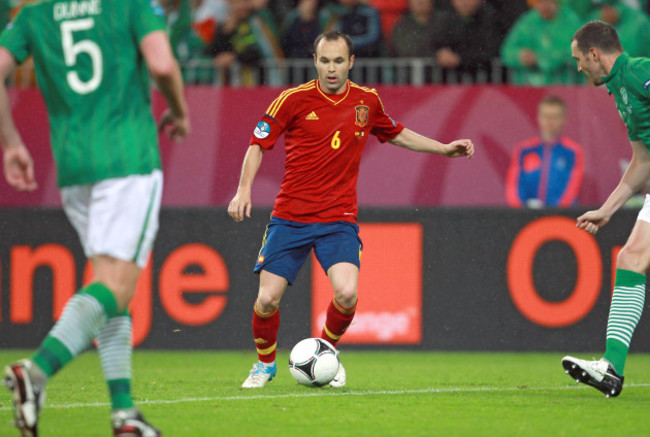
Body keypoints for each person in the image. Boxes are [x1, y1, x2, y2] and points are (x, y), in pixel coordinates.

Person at [228, 30, 474, 388]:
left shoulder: (366, 101)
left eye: (338, 61)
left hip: (337, 220)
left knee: (346, 293)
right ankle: (265, 365)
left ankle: (327, 353)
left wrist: (443, 149)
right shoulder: (292, 100)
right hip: (290, 218)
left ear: (351, 62)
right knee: (266, 299)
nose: (331, 69)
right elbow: (257, 143)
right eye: (325, 61)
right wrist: (243, 190)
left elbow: (396, 132)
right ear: (315, 61)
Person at [0, 0, 190, 435]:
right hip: (126, 160)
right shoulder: (129, 6)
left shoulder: (34, 14)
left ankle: (124, 414)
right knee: (116, 284)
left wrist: (11, 143)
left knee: (113, 291)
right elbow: (162, 63)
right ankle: (36, 371)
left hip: (73, 167)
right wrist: (180, 112)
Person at [561, 20, 650, 398]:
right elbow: (643, 160)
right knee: (631, 259)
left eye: (579, 58)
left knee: (632, 258)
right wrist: (608, 209)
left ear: (595, 54)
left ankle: (611, 368)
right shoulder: (619, 89)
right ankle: (611, 369)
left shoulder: (639, 72)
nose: (578, 66)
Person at [506, 95, 584, 208]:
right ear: (538, 117)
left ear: (563, 119)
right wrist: (520, 208)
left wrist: (555, 211)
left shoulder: (573, 151)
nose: (549, 121)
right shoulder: (523, 150)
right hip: (525, 215)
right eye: (546, 116)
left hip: (561, 216)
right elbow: (513, 185)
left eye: (555, 117)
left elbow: (572, 188)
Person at [501, 0, 582, 85]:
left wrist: (542, 58)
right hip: (528, 89)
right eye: (540, 2)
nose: (544, 5)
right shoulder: (528, 22)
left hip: (565, 88)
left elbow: (579, 53)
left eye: (548, 1)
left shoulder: (571, 21)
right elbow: (507, 51)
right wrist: (520, 55)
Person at [432, 0, 502, 82]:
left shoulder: (490, 20)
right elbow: (436, 44)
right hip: (450, 83)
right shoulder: (444, 20)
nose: (464, 2)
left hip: (483, 82)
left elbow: (490, 50)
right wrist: (441, 53)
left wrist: (460, 59)